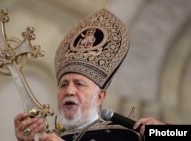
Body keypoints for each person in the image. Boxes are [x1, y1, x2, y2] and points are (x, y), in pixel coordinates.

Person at [14, 8, 168, 141]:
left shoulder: (124, 135)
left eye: (79, 84)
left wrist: (166, 132)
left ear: (100, 96)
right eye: (64, 84)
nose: (69, 91)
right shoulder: (50, 137)